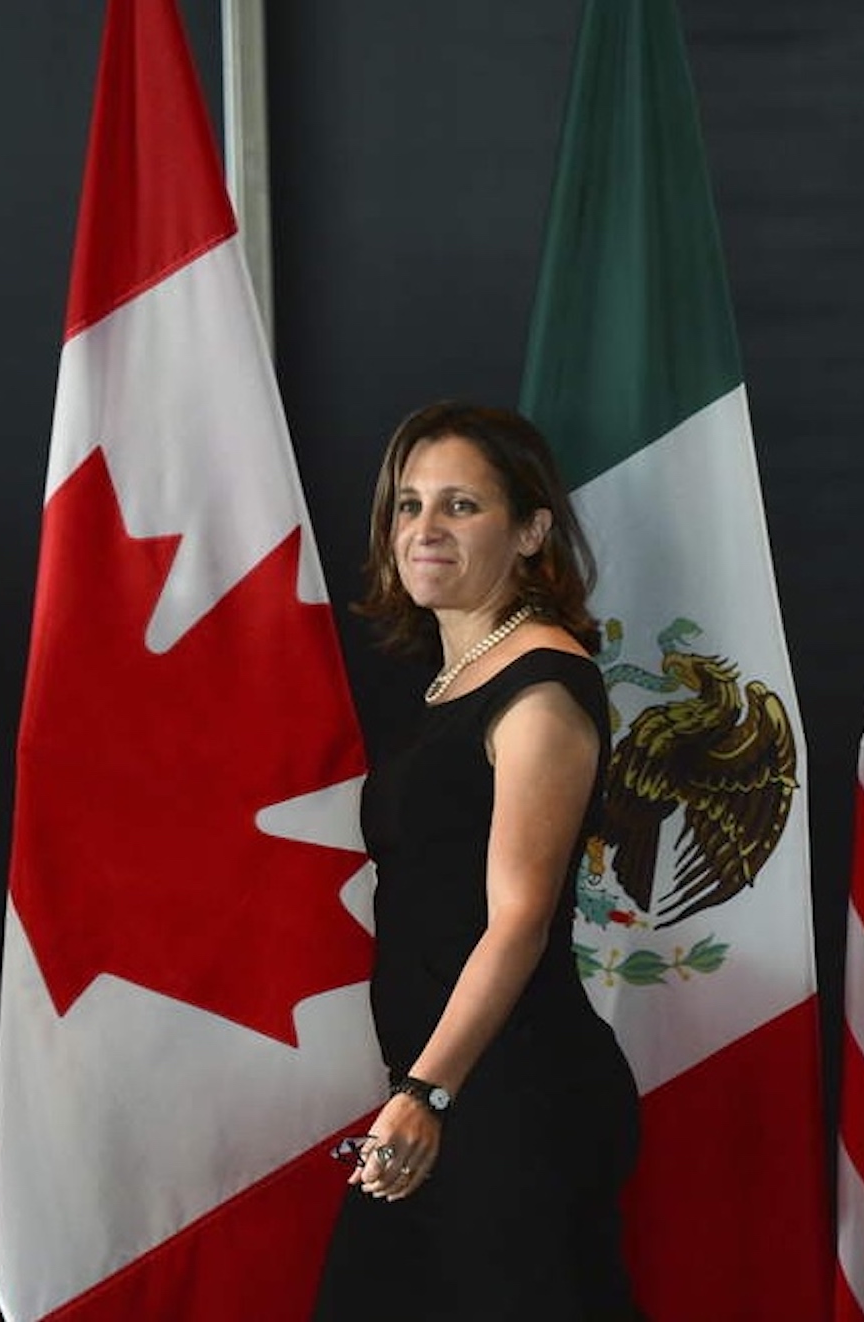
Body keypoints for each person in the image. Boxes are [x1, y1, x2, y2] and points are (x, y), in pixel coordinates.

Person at [314, 403, 641, 1320]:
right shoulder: (451, 679)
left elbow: (518, 920)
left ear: (531, 531)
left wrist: (428, 1092)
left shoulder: (541, 690)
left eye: (461, 505)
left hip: (513, 1100)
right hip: (453, 1096)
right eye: (409, 504)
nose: (425, 528)